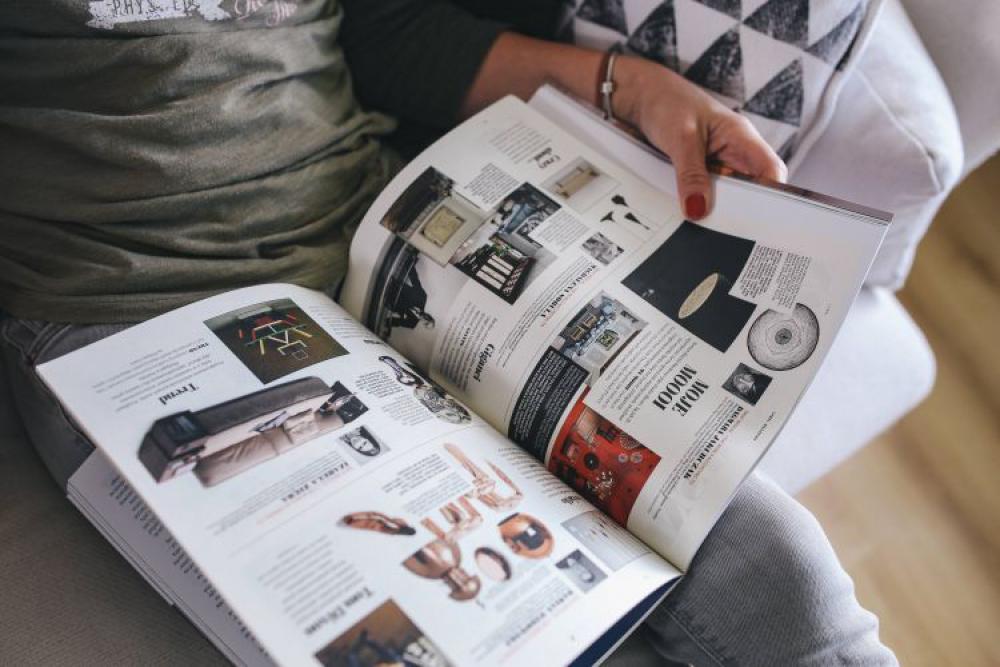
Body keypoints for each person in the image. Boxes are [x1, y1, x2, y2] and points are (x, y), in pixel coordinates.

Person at [0, 1, 896, 664]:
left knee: (780, 574)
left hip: (374, 240)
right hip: (138, 306)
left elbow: (388, 33)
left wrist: (634, 87)